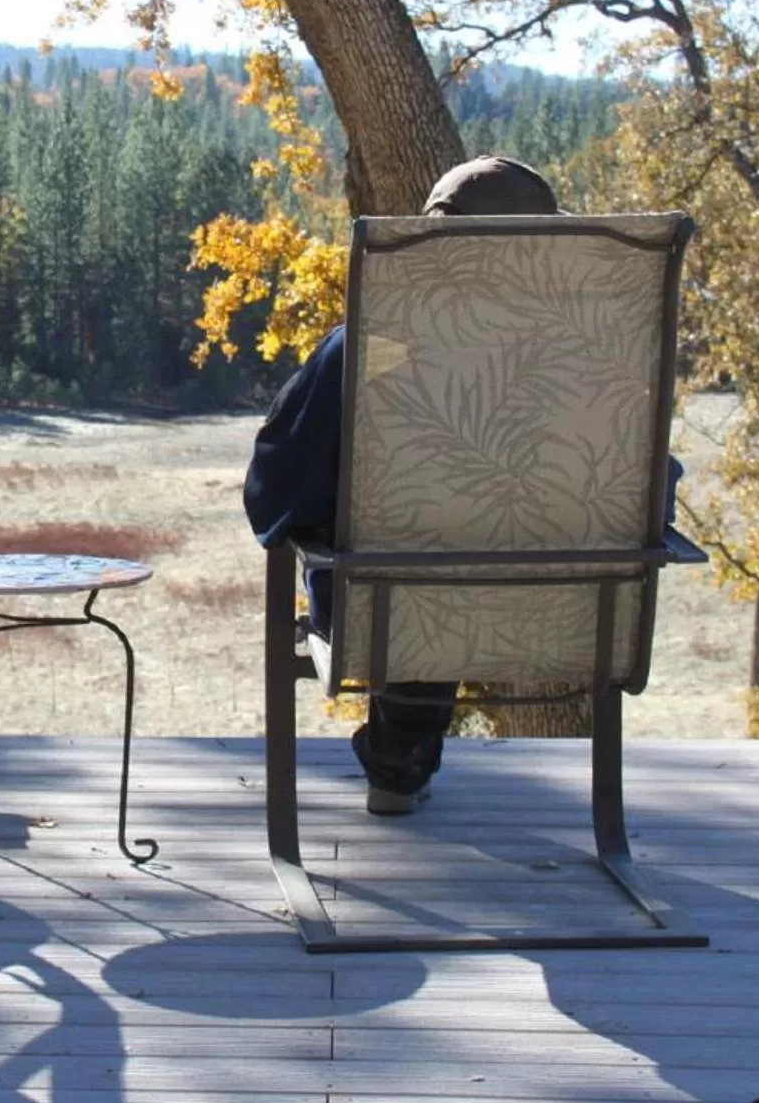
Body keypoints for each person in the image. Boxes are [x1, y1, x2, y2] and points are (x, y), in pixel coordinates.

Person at [243, 155, 678, 815]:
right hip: (575, 616)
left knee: (412, 566)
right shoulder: (600, 360)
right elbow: (651, 486)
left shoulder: (370, 351)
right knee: (453, 554)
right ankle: (402, 765)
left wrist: (307, 524)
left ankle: (399, 766)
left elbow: (278, 484)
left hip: (399, 620)